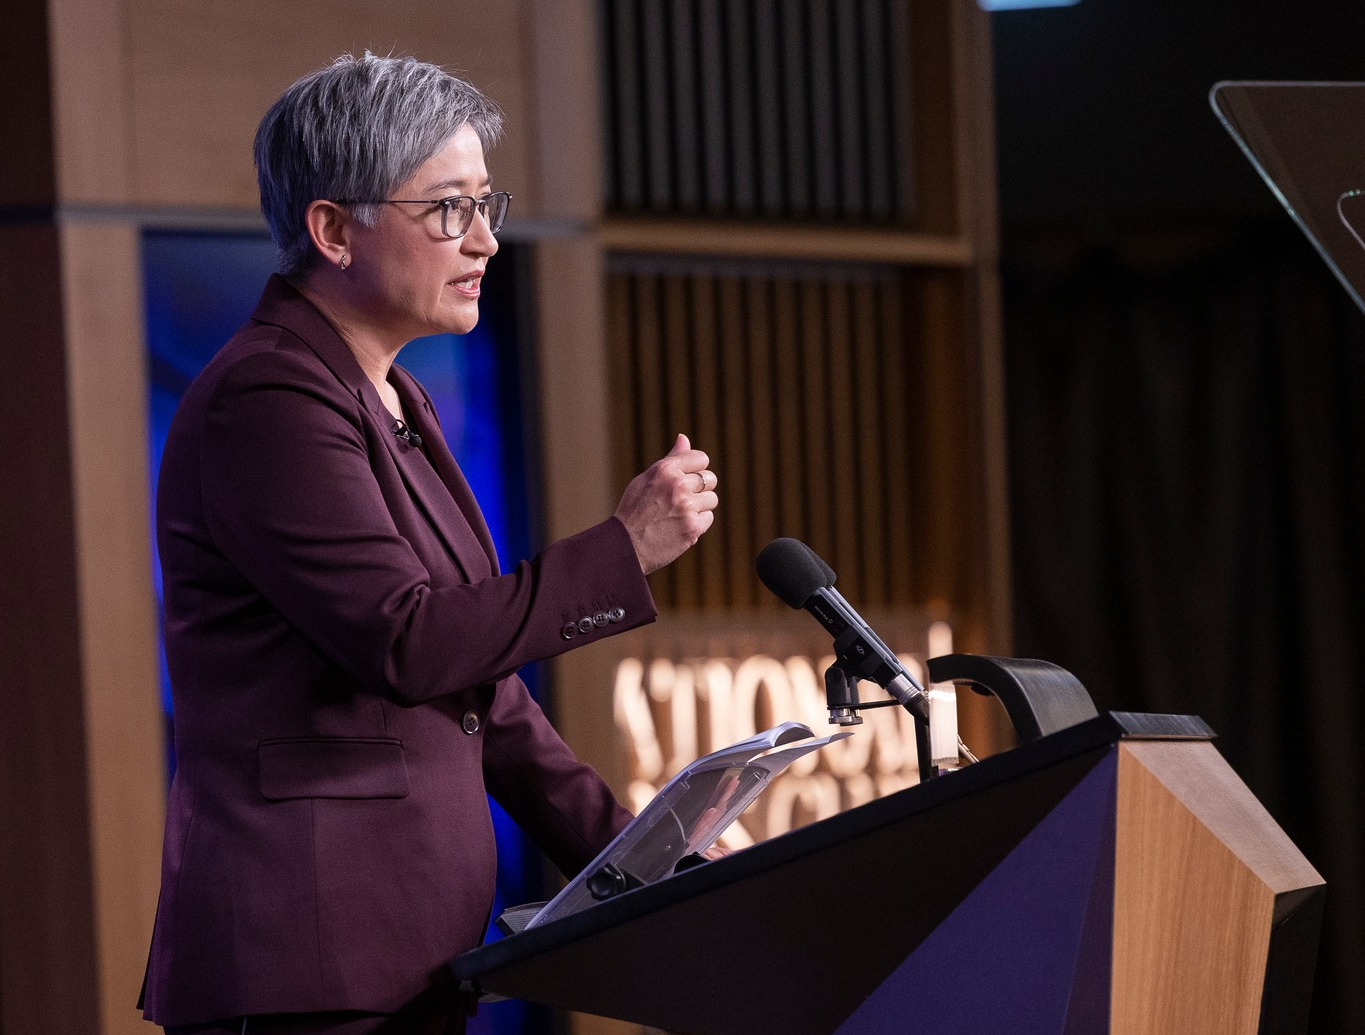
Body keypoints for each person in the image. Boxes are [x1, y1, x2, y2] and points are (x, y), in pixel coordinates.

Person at [139, 53, 719, 1035]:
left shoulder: (396, 397)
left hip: (404, 961)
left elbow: (479, 696)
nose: (487, 239)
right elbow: (408, 643)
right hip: (307, 971)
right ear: (332, 230)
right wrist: (621, 549)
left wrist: (650, 862)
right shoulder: (268, 397)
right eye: (449, 209)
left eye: (488, 203)